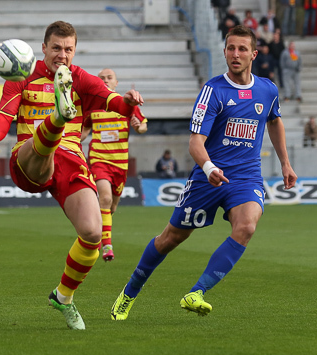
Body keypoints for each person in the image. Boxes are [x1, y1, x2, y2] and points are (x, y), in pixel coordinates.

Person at [111, 25, 297, 321]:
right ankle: (129, 293)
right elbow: (195, 142)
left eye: (242, 49)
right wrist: (209, 167)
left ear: (254, 54)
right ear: (224, 51)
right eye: (231, 48)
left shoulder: (267, 89)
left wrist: (285, 162)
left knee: (247, 226)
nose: (235, 54)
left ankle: (196, 293)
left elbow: (274, 121)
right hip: (207, 177)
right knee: (170, 238)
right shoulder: (213, 90)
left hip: (246, 177)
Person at [0, 21, 143, 330]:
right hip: (29, 159)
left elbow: (116, 103)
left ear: (74, 50)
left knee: (92, 235)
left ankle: (63, 296)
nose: (62, 55)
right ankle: (58, 116)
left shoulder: (81, 78)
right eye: (56, 48)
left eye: (68, 49)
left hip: (71, 160)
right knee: (44, 147)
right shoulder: (23, 75)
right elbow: (4, 114)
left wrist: (130, 102)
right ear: (44, 49)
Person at [80, 68, 148, 262]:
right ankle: (107, 245)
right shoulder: (93, 107)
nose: (105, 80)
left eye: (109, 78)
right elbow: (84, 131)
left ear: (116, 83)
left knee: (111, 208)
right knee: (105, 198)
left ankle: (97, 229)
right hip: (99, 159)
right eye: (101, 78)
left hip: (120, 164)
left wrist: (138, 126)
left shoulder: (127, 104)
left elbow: (143, 126)